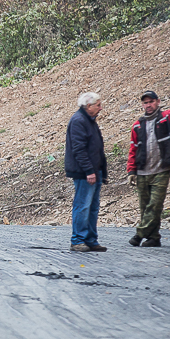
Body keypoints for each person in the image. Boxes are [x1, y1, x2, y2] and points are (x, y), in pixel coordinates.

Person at [126, 91, 170, 248]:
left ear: (158, 102)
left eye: (151, 102)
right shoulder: (137, 125)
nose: (148, 105)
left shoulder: (165, 119)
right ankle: (154, 238)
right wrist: (131, 171)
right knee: (145, 207)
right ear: (142, 105)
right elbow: (133, 149)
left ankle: (139, 234)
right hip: (142, 172)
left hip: (161, 170)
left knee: (155, 205)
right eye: (145, 102)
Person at [65, 92, 108, 252]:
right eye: (98, 105)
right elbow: (79, 149)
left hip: (94, 172)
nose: (101, 108)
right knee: (83, 205)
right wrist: (89, 171)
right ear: (88, 106)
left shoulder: (89, 120)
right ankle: (78, 240)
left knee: (93, 206)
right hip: (85, 173)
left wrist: (100, 171)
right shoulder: (78, 121)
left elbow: (95, 148)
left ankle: (90, 239)